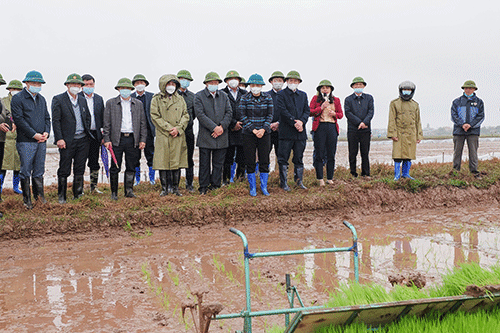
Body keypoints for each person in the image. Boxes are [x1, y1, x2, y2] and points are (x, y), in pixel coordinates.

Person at [11, 70, 51, 209]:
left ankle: (39, 197)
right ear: (26, 83)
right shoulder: (18, 98)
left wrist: (46, 132)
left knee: (39, 169)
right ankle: (27, 200)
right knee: (26, 169)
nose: (37, 85)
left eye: (39, 83)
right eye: (34, 83)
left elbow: (47, 118)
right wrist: (34, 135)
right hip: (26, 141)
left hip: (42, 141)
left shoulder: (42, 99)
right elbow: (19, 120)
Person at [103, 78, 147, 200]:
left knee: (131, 165)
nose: (125, 91)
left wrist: (142, 139)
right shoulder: (111, 103)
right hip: (117, 139)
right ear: (118, 89)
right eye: (122, 88)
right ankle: (114, 193)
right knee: (115, 166)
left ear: (131, 89)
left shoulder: (138, 104)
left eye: (127, 88)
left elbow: (143, 124)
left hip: (133, 139)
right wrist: (107, 139)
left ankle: (129, 190)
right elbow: (106, 124)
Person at [52, 74, 93, 203]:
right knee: (64, 168)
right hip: (67, 141)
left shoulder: (81, 99)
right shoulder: (59, 99)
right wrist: (59, 138)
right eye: (73, 85)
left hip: (83, 140)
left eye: (78, 85)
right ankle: (62, 195)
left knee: (80, 167)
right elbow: (56, 121)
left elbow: (87, 117)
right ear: (67, 85)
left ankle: (78, 193)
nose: (76, 87)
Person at [194, 71, 232, 195]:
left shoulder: (224, 96)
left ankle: (216, 185)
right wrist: (214, 128)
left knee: (218, 163)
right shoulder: (199, 96)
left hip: (221, 135)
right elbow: (200, 114)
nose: (213, 84)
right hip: (206, 135)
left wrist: (221, 127)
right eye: (211, 82)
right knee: (204, 163)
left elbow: (229, 113)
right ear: (206, 84)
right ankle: (203, 187)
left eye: (216, 82)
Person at [151, 74, 189, 196]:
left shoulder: (180, 99)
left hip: (177, 135)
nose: (171, 87)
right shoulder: (156, 99)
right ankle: (164, 189)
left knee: (176, 162)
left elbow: (186, 115)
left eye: (173, 84)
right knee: (163, 162)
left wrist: (178, 129)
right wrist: (169, 129)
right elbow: (155, 116)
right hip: (163, 135)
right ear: (163, 85)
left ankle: (176, 188)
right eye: (169, 84)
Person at [238, 73, 273, 196]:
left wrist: (263, 129)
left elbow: (269, 115)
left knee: (264, 159)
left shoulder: (268, 97)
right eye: (253, 85)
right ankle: (252, 187)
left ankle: (264, 187)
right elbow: (243, 116)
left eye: (258, 85)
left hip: (265, 133)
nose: (255, 87)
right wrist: (253, 130)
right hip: (249, 133)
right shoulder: (244, 98)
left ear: (262, 86)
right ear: (249, 86)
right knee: (250, 160)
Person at [276, 70, 310, 191]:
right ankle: (284, 183)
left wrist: (301, 121)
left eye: (295, 81)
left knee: (298, 158)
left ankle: (299, 182)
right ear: (287, 82)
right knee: (283, 158)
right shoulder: (281, 95)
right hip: (286, 132)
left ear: (299, 82)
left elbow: (307, 111)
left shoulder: (303, 95)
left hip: (300, 133)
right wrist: (293, 122)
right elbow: (282, 110)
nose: (293, 83)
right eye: (291, 81)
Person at [309, 80, 343, 186]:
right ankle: (320, 178)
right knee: (319, 153)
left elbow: (341, 114)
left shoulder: (336, 100)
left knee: (331, 153)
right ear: (319, 89)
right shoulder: (315, 99)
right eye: (323, 88)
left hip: (332, 127)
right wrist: (321, 107)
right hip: (320, 127)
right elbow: (310, 112)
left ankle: (330, 178)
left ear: (331, 89)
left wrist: (335, 114)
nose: (325, 89)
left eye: (327, 88)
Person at [387, 81, 423, 180]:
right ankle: (397, 175)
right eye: (404, 90)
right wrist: (392, 133)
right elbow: (391, 119)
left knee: (409, 154)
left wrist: (419, 135)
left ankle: (406, 174)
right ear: (400, 91)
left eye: (408, 90)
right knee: (398, 155)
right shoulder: (394, 103)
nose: (406, 92)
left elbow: (418, 121)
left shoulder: (415, 105)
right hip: (399, 133)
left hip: (411, 133)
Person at [451, 80, 485, 177]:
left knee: (473, 152)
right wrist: (462, 124)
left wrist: (470, 125)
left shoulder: (479, 102)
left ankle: (474, 172)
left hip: (473, 131)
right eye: (466, 88)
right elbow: (454, 116)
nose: (468, 90)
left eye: (470, 88)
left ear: (474, 89)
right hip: (459, 131)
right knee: (457, 152)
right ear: (463, 89)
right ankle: (455, 171)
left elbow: (480, 116)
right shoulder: (456, 102)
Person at [344, 77, 374, 177]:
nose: (358, 86)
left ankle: (366, 173)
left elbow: (371, 112)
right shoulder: (348, 99)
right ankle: (353, 173)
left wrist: (364, 122)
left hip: (366, 129)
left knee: (365, 152)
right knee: (353, 153)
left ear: (364, 86)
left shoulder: (369, 98)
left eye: (360, 85)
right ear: (352, 86)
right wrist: (359, 123)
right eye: (356, 85)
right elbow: (348, 113)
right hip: (353, 130)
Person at [80, 74, 105, 193]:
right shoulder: (77, 97)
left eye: (91, 84)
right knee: (80, 161)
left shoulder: (99, 99)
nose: (88, 86)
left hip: (95, 135)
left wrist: (104, 136)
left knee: (94, 161)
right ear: (81, 85)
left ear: (94, 84)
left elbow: (103, 118)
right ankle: (79, 188)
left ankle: (93, 187)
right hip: (82, 134)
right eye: (86, 84)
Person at [222, 70, 247, 185]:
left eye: (236, 79)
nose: (233, 81)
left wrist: (241, 123)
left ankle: (240, 179)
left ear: (239, 81)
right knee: (228, 157)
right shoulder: (222, 93)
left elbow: (248, 110)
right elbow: (221, 112)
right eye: (231, 79)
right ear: (226, 81)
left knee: (242, 157)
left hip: (243, 129)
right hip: (228, 130)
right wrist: (233, 123)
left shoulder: (245, 94)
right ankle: (226, 179)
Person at [131, 74, 155, 185]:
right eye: (137, 83)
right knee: (135, 156)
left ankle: (152, 178)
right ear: (134, 85)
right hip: (135, 131)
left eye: (142, 82)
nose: (139, 85)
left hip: (149, 130)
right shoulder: (130, 97)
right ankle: (137, 179)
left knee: (151, 154)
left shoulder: (152, 96)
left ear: (145, 84)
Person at [1, 80, 23, 197]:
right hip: (5, 139)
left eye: (19, 89)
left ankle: (16, 187)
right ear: (9, 89)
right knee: (3, 166)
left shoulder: (23, 102)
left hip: (19, 139)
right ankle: (0, 187)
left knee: (18, 166)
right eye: (14, 89)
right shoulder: (3, 102)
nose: (16, 91)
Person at [177, 69, 196, 192]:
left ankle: (189, 184)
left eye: (187, 80)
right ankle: (175, 184)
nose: (185, 82)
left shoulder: (192, 96)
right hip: (175, 132)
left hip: (188, 131)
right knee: (176, 159)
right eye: (182, 79)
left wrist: (187, 123)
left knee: (189, 158)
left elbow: (194, 114)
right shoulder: (173, 96)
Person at [267, 71, 285, 162]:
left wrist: (278, 123)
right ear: (271, 82)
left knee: (281, 155)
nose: (278, 82)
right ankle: (264, 174)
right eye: (275, 80)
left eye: (280, 80)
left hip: (282, 130)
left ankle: (281, 175)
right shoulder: (266, 95)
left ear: (283, 82)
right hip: (267, 130)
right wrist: (269, 124)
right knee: (265, 154)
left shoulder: (287, 95)